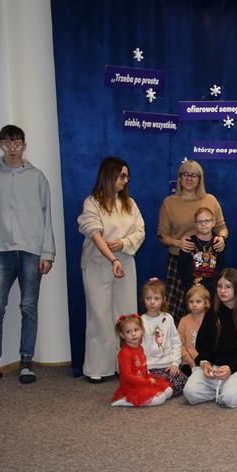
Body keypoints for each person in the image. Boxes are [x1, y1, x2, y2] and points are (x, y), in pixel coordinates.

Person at [0, 125, 56, 386]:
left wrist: (47, 252)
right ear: (0, 145)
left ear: (24, 145)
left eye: (17, 143)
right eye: (7, 143)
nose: (13, 149)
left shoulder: (37, 177)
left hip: (31, 252)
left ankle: (26, 363)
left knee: (29, 308)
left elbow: (47, 217)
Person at [77, 156, 146, 384]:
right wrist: (111, 256)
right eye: (122, 176)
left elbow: (140, 231)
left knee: (125, 314)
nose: (126, 180)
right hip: (98, 264)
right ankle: (98, 367)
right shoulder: (92, 202)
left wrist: (123, 244)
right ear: (109, 176)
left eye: (127, 176)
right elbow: (94, 234)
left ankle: (123, 365)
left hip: (125, 262)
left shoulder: (130, 204)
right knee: (99, 315)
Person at [184, 269, 237, 408]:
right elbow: (202, 344)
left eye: (228, 287)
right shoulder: (212, 313)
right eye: (219, 286)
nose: (222, 291)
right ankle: (225, 388)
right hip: (214, 367)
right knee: (190, 393)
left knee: (230, 399)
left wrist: (231, 368)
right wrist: (205, 363)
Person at [158, 160, 228, 320]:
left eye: (194, 175)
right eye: (185, 174)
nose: (189, 178)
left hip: (208, 262)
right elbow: (162, 235)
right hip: (179, 262)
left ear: (200, 179)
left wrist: (222, 238)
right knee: (176, 310)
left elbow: (222, 228)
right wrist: (178, 243)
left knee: (209, 309)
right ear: (179, 177)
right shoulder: (169, 202)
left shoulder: (210, 200)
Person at [111, 314, 173, 408]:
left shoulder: (140, 348)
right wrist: (146, 382)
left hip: (143, 381)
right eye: (128, 332)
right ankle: (127, 400)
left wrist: (148, 379)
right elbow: (127, 377)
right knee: (161, 398)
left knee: (169, 391)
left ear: (142, 330)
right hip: (132, 386)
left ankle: (143, 397)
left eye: (136, 330)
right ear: (122, 335)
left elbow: (143, 369)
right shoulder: (124, 353)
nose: (133, 334)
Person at [140, 278, 186, 395]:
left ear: (164, 299)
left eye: (156, 298)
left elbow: (176, 343)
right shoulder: (141, 321)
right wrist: (143, 368)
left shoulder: (168, 318)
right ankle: (160, 389)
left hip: (167, 366)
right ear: (144, 300)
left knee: (183, 382)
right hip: (149, 367)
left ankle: (159, 390)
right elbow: (138, 347)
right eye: (148, 298)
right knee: (147, 382)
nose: (152, 302)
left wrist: (175, 364)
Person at [177, 206, 224, 296]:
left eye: (207, 221)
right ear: (195, 224)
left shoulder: (218, 243)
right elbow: (182, 268)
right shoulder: (188, 243)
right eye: (200, 221)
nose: (203, 224)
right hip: (192, 290)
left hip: (213, 290)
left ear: (213, 222)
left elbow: (221, 267)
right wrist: (190, 287)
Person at [178, 284, 210, 376]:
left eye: (198, 301)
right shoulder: (184, 321)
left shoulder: (210, 320)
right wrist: (191, 362)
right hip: (188, 362)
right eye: (191, 301)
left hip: (207, 362)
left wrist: (205, 363)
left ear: (206, 303)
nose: (194, 305)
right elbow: (180, 345)